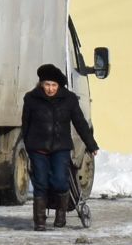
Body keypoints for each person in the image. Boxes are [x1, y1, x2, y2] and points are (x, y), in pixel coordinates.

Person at [21, 63, 98, 231]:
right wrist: (27, 145)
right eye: (47, 84)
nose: (50, 89)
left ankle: (61, 213)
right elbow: (25, 124)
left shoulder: (69, 99)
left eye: (53, 85)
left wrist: (91, 144)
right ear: (41, 84)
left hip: (60, 148)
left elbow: (80, 122)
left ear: (59, 86)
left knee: (60, 181)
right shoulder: (31, 99)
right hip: (38, 148)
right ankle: (39, 221)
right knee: (40, 183)